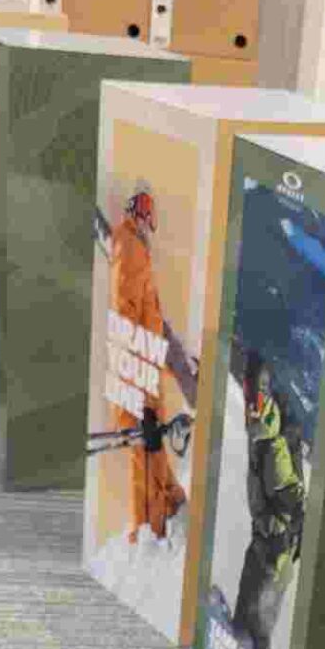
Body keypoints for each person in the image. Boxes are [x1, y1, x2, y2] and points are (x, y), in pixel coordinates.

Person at [109, 184, 188, 544]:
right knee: (146, 450)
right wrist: (135, 392)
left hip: (147, 368)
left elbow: (148, 316)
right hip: (138, 374)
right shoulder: (129, 248)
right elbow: (124, 317)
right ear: (134, 210)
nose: (148, 218)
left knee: (153, 448)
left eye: (151, 211)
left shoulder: (138, 249)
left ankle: (168, 506)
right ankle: (148, 531)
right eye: (145, 208)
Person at [232, 358, 306, 649]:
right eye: (249, 391)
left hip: (274, 558)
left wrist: (280, 543)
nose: (251, 402)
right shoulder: (261, 430)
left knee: (259, 632)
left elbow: (294, 501)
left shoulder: (273, 446)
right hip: (260, 547)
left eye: (258, 393)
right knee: (241, 622)